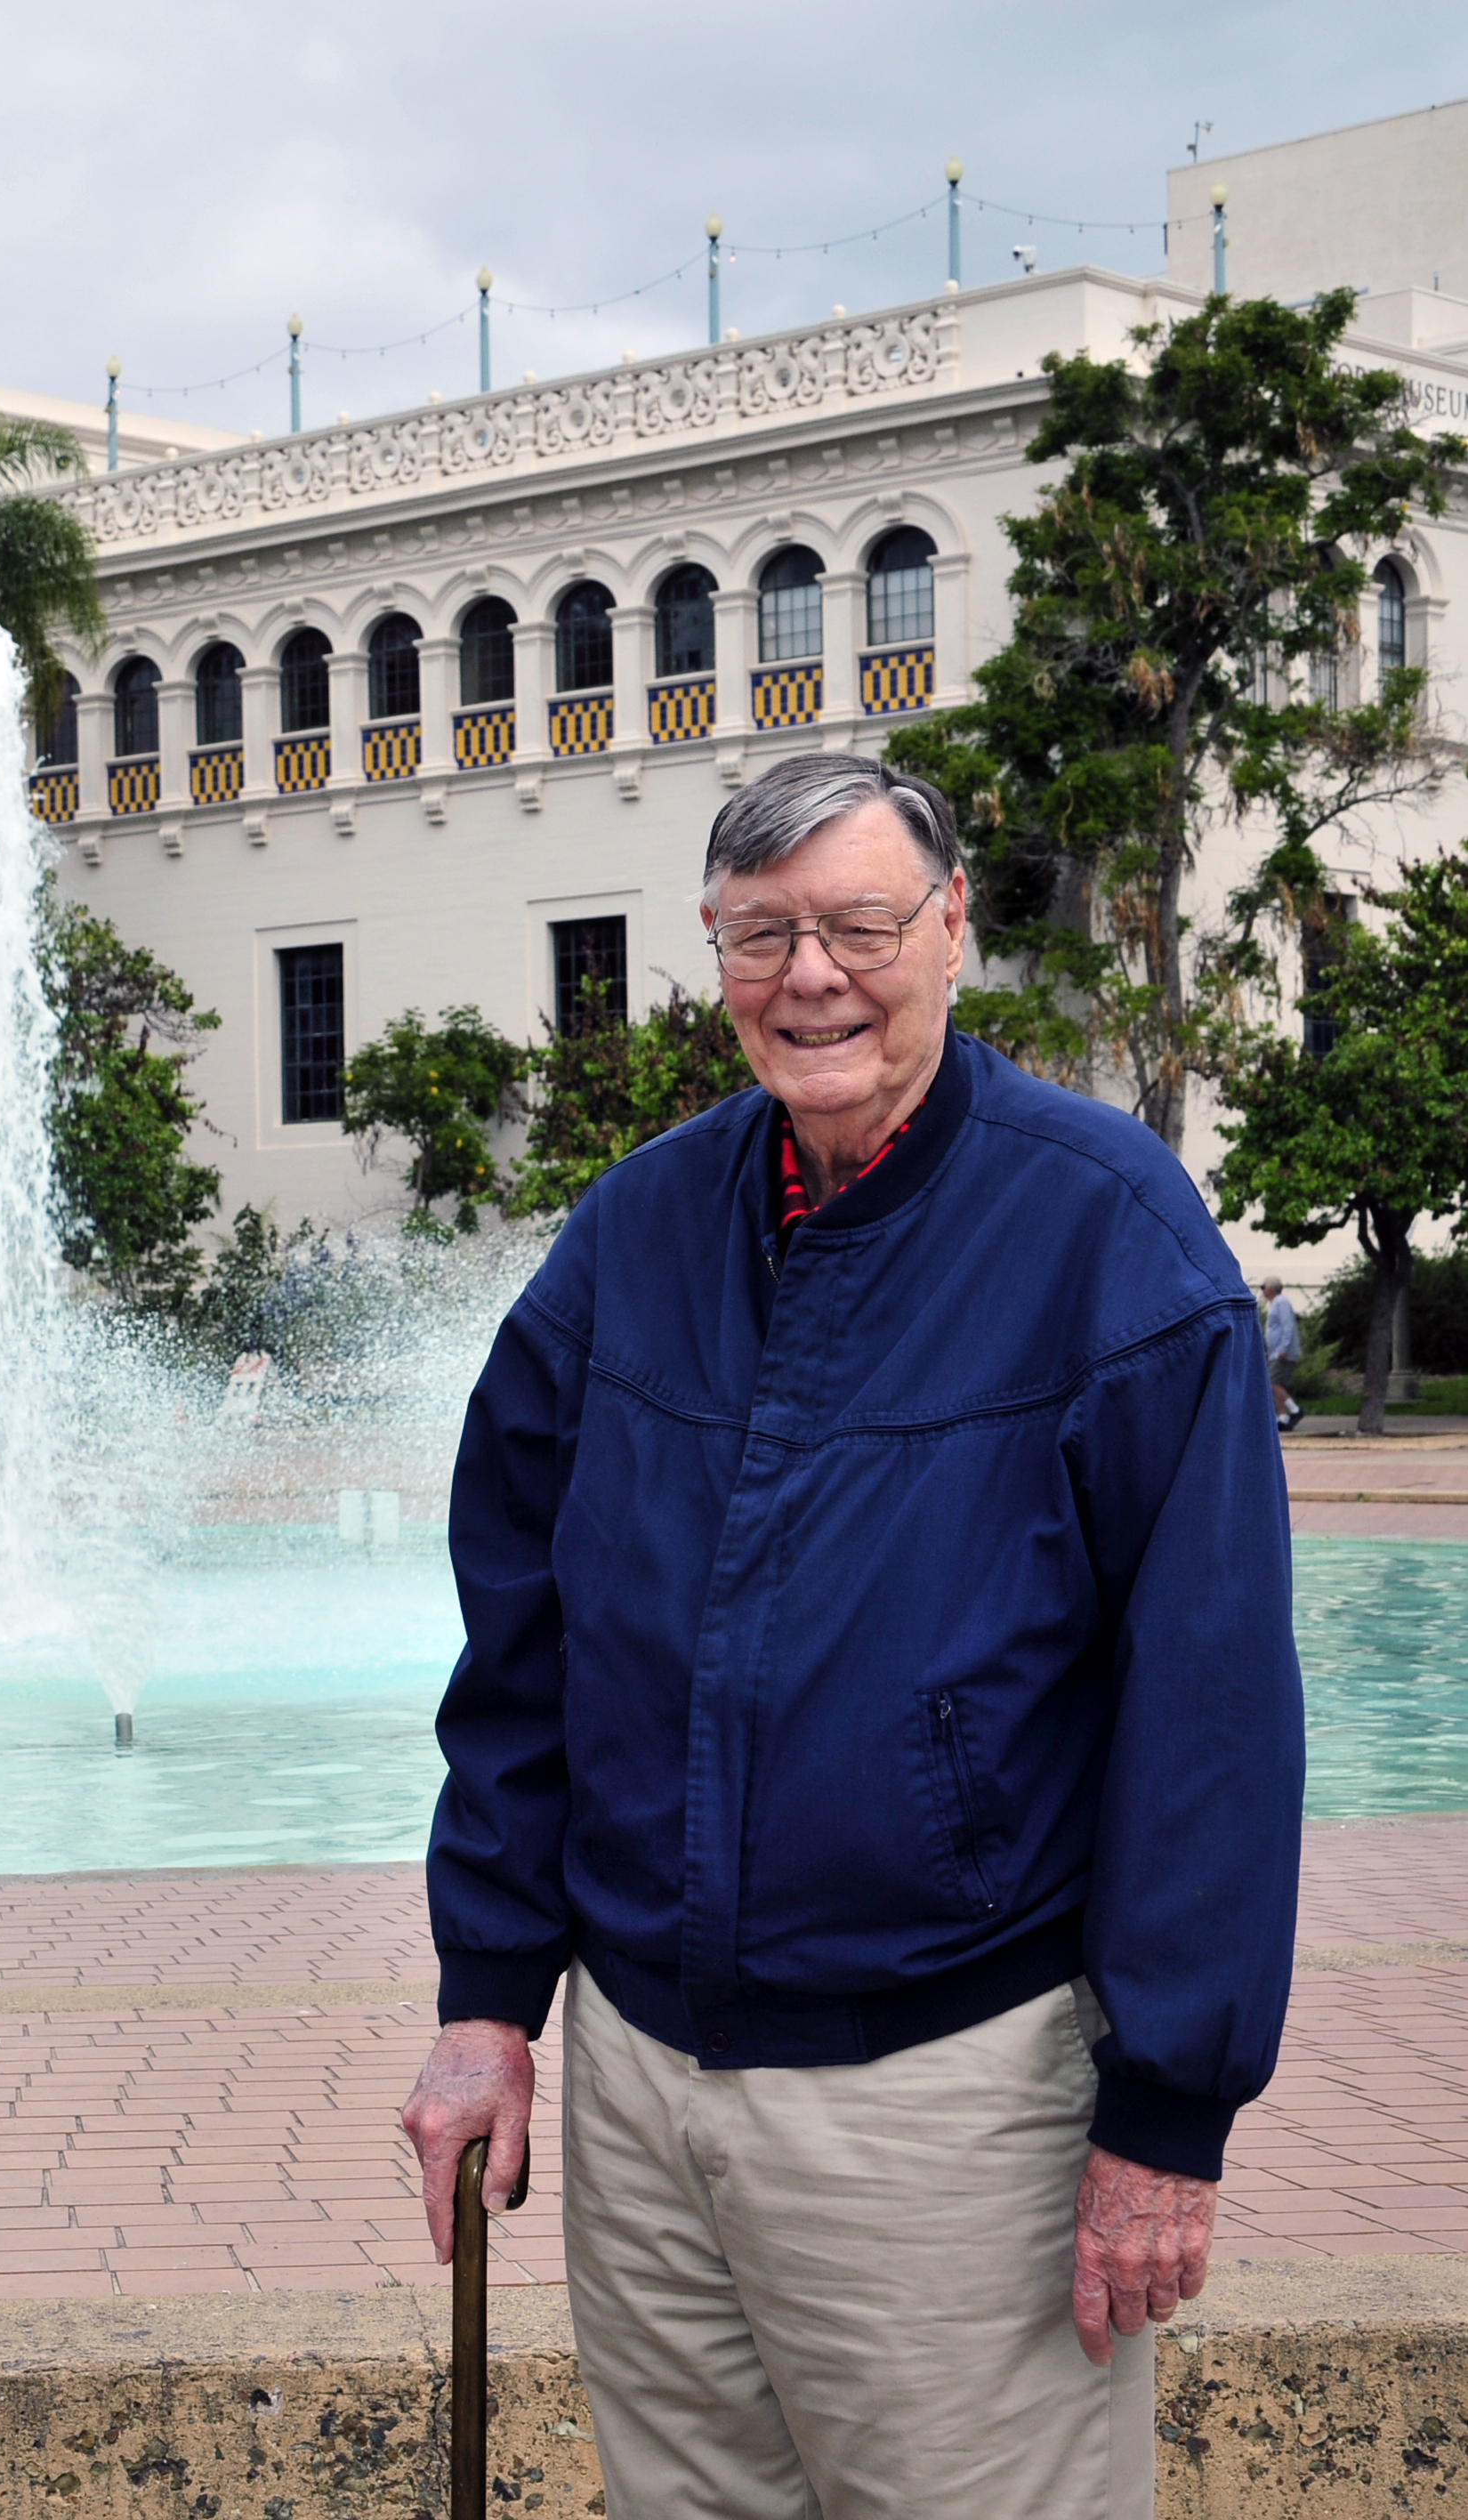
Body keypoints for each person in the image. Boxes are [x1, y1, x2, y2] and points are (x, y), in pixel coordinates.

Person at [399, 752, 1302, 2520]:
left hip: (948, 2104)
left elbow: (1208, 1715)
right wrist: (490, 1997)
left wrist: (1166, 2122)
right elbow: (522, 1637)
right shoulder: (635, 1231)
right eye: (760, 935)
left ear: (952, 930)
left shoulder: (1109, 1239)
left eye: (859, 925)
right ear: (715, 953)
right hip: (647, 2097)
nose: (809, 975)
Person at [1262, 1276, 1304, 1431]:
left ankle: (1295, 1410)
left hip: (1281, 1352)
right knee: (1274, 1384)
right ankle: (1283, 1417)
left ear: (1271, 1289)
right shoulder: (1274, 1304)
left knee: (1273, 1383)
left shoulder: (1281, 1303)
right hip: (1274, 1352)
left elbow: (1288, 1326)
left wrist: (1283, 1348)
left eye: (1263, 1287)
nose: (1263, 1291)